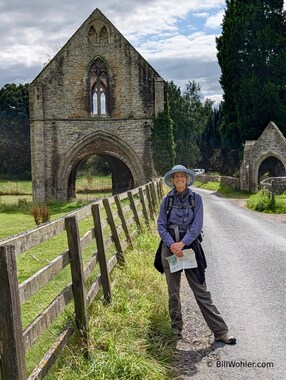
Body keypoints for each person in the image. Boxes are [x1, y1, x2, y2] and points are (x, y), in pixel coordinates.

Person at [157, 164, 236, 344]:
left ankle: (221, 331)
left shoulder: (196, 199)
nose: (179, 180)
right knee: (173, 292)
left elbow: (197, 225)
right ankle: (176, 331)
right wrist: (172, 245)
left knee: (201, 291)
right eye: (176, 177)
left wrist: (182, 244)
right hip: (170, 250)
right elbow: (161, 225)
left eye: (182, 177)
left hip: (190, 249)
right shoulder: (166, 200)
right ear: (172, 180)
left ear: (187, 179)